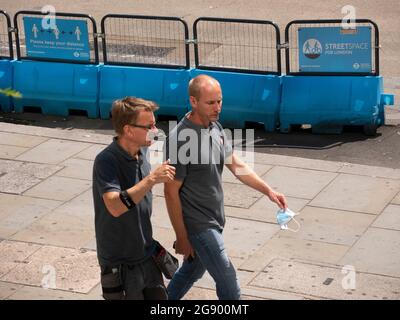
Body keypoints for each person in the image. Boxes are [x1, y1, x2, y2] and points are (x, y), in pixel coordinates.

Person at [164, 75, 287, 300]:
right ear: (193, 101)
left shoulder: (215, 127)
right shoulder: (180, 138)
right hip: (200, 225)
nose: (217, 107)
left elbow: (236, 164)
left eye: (219, 101)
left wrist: (268, 191)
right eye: (210, 103)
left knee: (190, 272)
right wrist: (181, 236)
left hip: (215, 219)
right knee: (229, 281)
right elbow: (170, 191)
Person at [92, 97, 176, 300]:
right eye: (149, 126)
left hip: (146, 253)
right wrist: (151, 179)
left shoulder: (143, 150)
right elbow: (114, 206)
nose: (155, 131)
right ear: (129, 130)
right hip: (120, 264)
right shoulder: (107, 160)